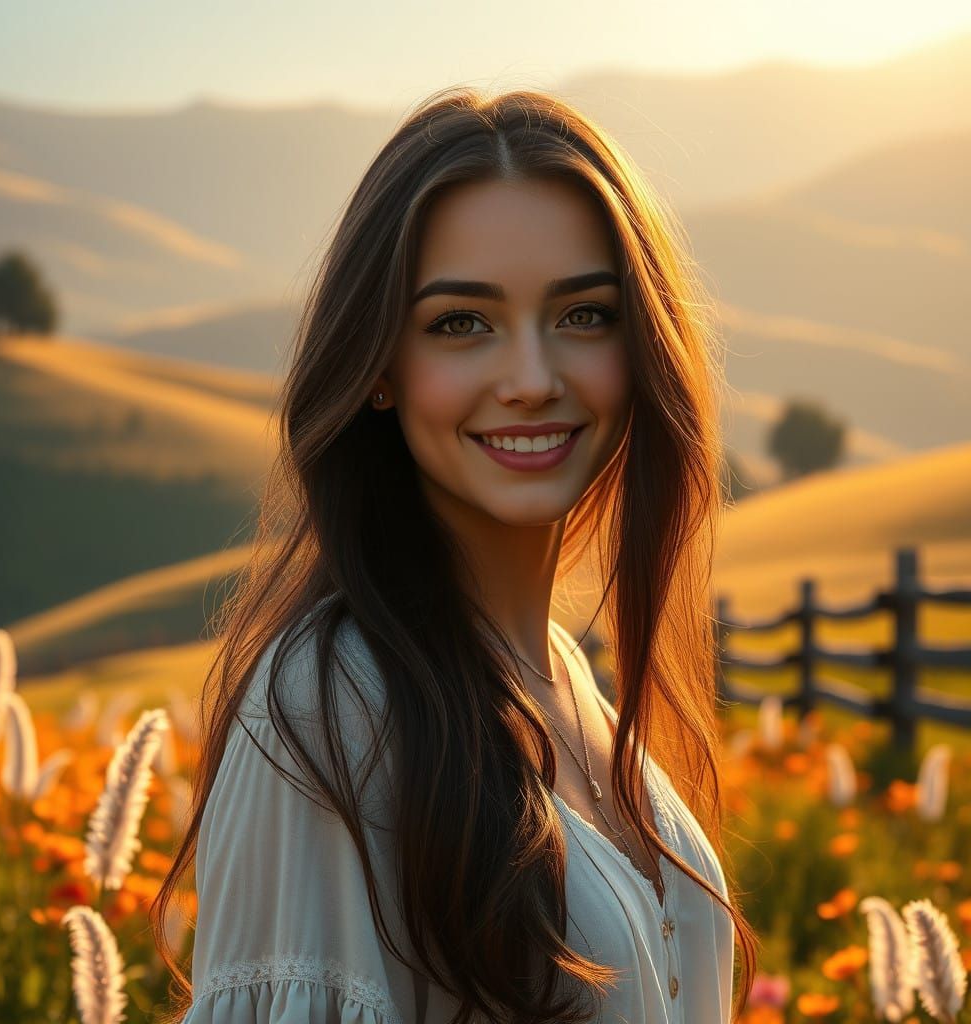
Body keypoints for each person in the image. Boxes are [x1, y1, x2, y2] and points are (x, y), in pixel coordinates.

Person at [152, 85, 758, 1024]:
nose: (530, 379)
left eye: (584, 315)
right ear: (381, 368)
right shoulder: (327, 708)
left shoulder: (563, 672)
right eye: (461, 323)